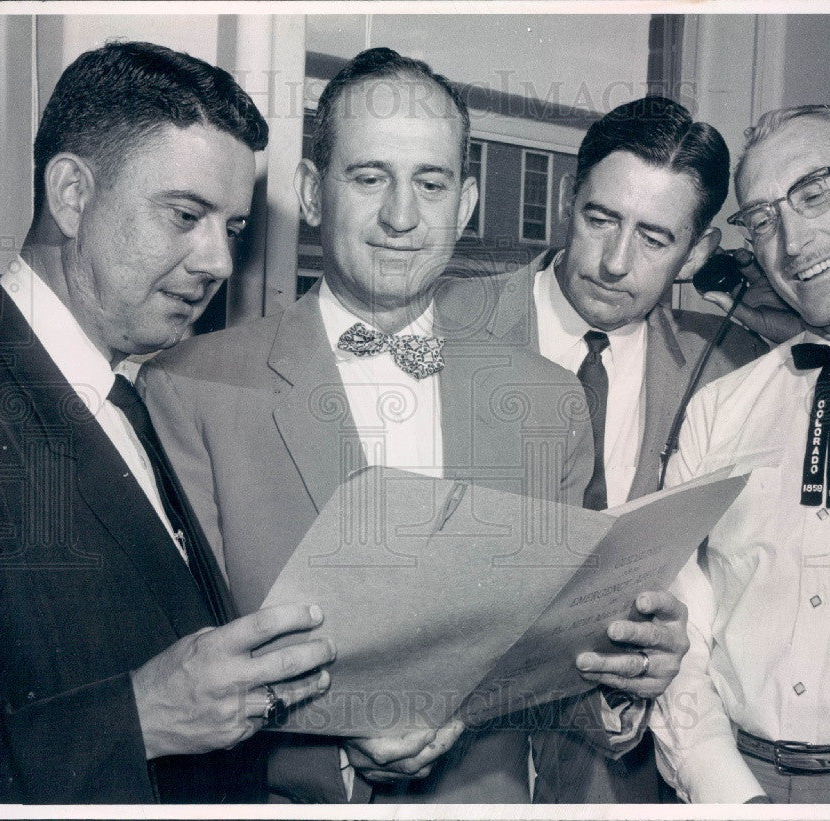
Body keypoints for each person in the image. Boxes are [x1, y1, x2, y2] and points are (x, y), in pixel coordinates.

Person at [141, 48, 686, 804]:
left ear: (463, 205)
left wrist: (621, 678)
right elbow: (171, 681)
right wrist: (335, 748)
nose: (402, 217)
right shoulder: (190, 388)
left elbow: (554, 669)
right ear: (310, 192)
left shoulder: (549, 401)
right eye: (370, 178)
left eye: (430, 184)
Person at [0, 41, 338, 804]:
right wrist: (139, 717)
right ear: (71, 193)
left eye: (230, 227)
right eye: (185, 215)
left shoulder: (126, 389)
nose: (218, 263)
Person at [443, 96, 767, 802]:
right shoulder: (443, 327)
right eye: (600, 219)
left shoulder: (727, 375)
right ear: (568, 197)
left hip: (615, 776)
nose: (616, 262)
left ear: (700, 253)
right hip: (450, 767)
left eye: (655, 239)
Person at [650, 104, 830, 804]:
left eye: (813, 193)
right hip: (731, 786)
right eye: (763, 218)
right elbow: (678, 636)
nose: (793, 241)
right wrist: (730, 796)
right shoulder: (719, 409)